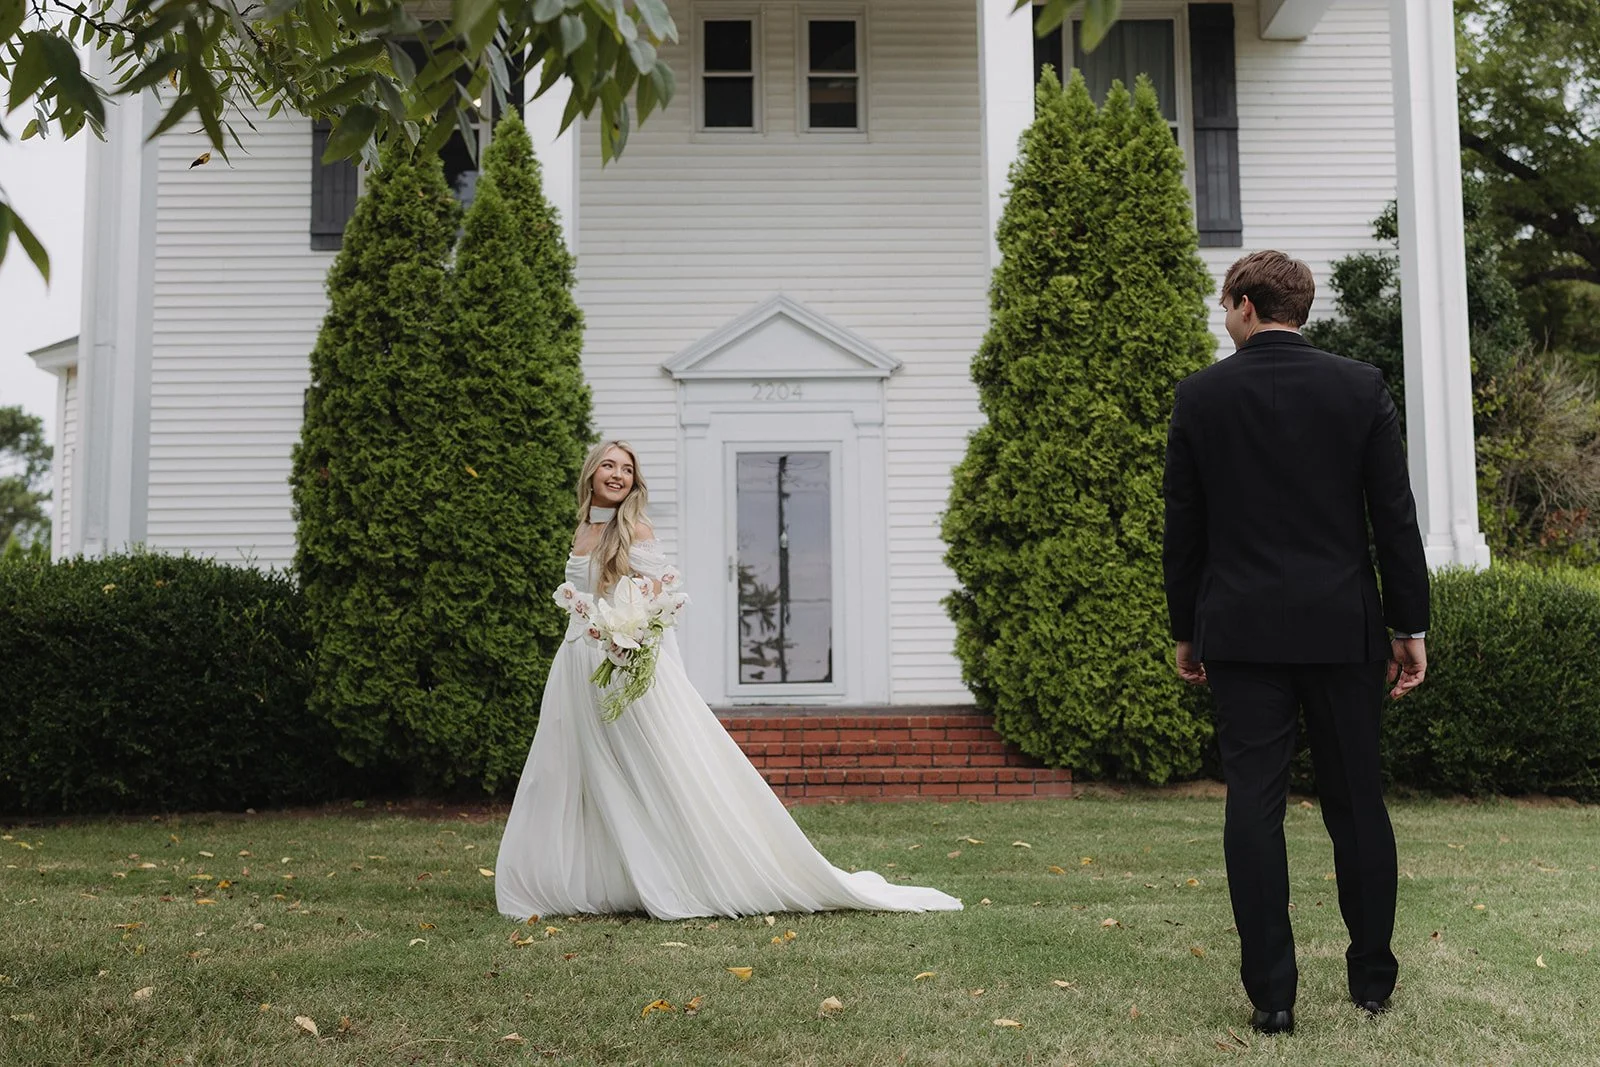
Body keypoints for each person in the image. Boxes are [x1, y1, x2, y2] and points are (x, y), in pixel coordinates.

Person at [495, 440, 962, 920]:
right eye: (609, 466)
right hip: (576, 664)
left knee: (649, 767)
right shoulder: (584, 526)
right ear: (591, 472)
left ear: (635, 480)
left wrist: (628, 639)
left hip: (622, 662)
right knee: (574, 768)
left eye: (627, 469)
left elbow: (658, 596)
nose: (618, 475)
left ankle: (690, 869)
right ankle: (591, 878)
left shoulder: (633, 527)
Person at [1161, 251, 1430, 1036]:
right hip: (1342, 627)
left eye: (1224, 303)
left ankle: (1272, 997)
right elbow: (1395, 518)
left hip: (1241, 631)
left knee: (1254, 804)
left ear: (1247, 305)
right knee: (1356, 802)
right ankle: (1373, 980)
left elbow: (1186, 532)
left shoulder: (1201, 397)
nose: (1223, 315)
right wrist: (1408, 627)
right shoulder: (1359, 388)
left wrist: (1187, 628)